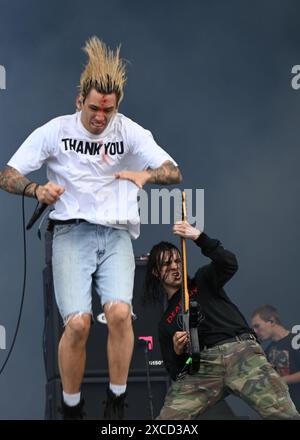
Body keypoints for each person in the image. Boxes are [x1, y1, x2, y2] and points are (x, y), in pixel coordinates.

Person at [0, 37, 182, 420]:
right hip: (71, 233)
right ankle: (71, 405)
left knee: (118, 315)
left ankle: (116, 401)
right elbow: (8, 175)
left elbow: (174, 172)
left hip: (115, 234)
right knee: (79, 323)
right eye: (95, 109)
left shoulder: (128, 130)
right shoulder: (55, 131)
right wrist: (36, 189)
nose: (101, 117)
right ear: (79, 101)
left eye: (108, 111)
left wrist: (145, 175)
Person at [144, 220, 300, 419]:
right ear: (156, 272)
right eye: (167, 264)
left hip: (241, 352)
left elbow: (228, 263)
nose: (175, 267)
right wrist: (177, 352)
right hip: (204, 367)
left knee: (285, 415)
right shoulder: (166, 322)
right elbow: (176, 372)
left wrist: (199, 238)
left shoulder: (202, 279)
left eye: (178, 261)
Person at [251, 305, 300, 412]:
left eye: (257, 326)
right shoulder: (268, 352)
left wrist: (282, 380)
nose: (255, 331)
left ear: (272, 321)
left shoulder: (297, 340)